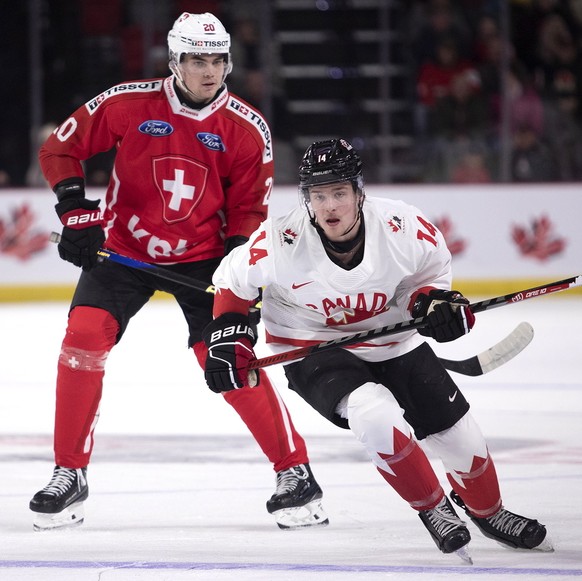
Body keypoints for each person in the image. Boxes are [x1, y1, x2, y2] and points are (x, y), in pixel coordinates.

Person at [29, 12, 327, 532]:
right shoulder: (127, 102)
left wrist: (242, 277)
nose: (209, 71)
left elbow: (249, 213)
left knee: (227, 359)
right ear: (175, 60)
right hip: (125, 251)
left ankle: (295, 473)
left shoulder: (247, 128)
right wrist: (75, 211)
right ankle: (68, 472)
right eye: (196, 59)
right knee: (83, 337)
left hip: (207, 259)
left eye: (218, 60)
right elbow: (60, 147)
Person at [203, 138, 553, 561]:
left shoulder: (402, 226)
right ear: (306, 199)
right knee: (372, 410)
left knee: (462, 440)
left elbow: (429, 278)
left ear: (358, 192)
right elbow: (231, 285)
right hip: (313, 348)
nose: (329, 206)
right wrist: (229, 338)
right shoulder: (280, 240)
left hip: (393, 341)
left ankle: (489, 512)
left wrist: (434, 304)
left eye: (338, 193)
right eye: (318, 195)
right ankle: (433, 508)